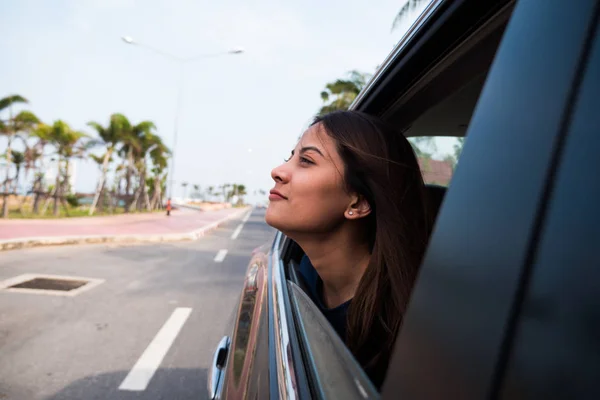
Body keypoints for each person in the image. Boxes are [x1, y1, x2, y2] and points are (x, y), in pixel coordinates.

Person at [265, 110, 431, 389]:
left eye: (306, 160)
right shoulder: (303, 271)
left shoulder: (404, 339)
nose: (278, 171)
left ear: (357, 204)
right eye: (290, 157)